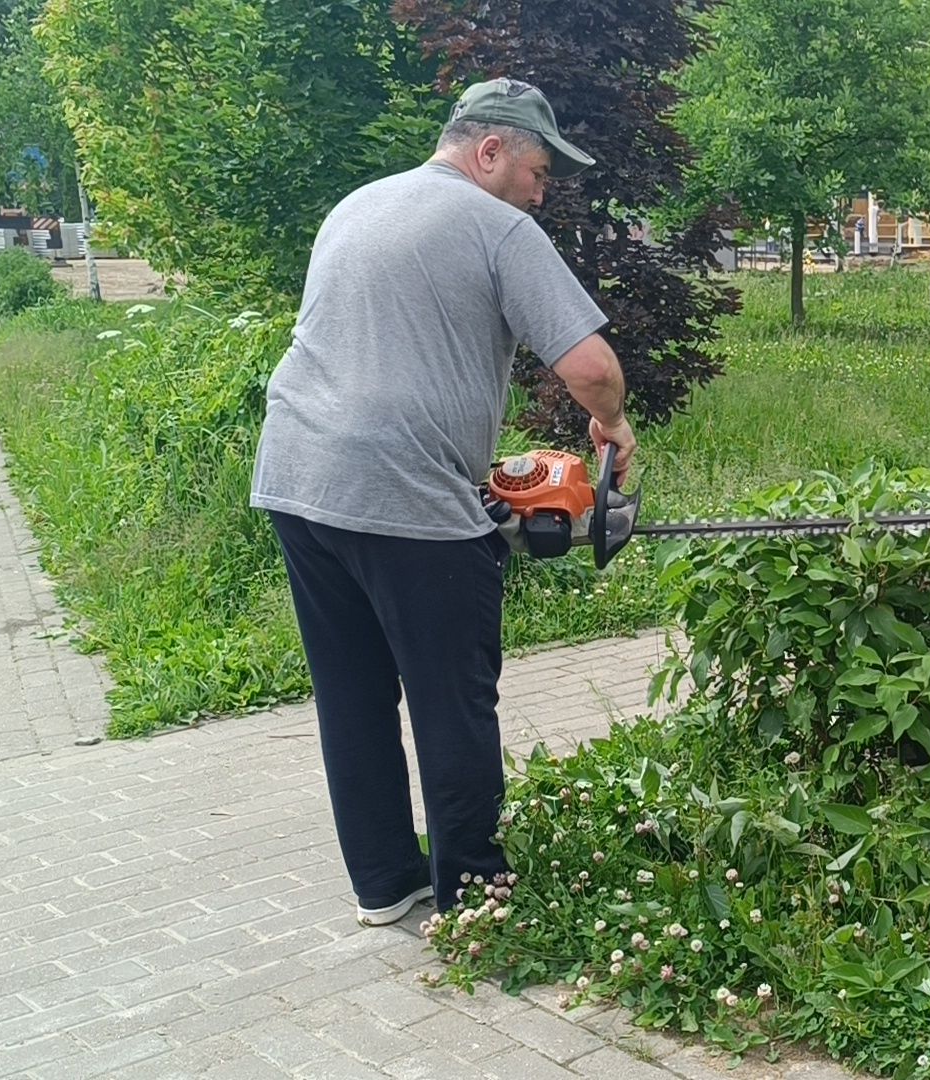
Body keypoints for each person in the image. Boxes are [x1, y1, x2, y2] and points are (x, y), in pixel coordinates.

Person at [249, 77, 637, 926]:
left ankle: (386, 885)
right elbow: (593, 369)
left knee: (351, 695)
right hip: (404, 490)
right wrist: (612, 428)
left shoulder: (358, 205)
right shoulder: (499, 226)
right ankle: (476, 897)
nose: (543, 190)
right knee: (451, 695)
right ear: (489, 151)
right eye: (538, 170)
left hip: (299, 476)